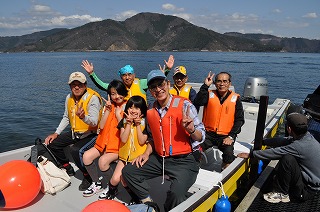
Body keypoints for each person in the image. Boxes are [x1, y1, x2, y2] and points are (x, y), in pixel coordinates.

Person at [122, 69, 205, 211]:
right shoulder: (150, 111)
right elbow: (153, 139)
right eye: (153, 87)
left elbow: (201, 136)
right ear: (150, 90)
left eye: (161, 84)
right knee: (129, 172)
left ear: (168, 84)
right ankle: (149, 202)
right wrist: (146, 154)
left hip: (184, 160)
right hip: (160, 159)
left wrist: (191, 129)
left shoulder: (185, 105)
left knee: (176, 194)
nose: (158, 89)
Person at [237, 113, 320, 203]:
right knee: (288, 157)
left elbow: (276, 152)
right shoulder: (307, 137)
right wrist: (264, 142)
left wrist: (252, 154)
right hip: (312, 182)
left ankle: (281, 193)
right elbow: (284, 140)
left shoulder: (298, 146)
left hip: (307, 190)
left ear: (289, 128)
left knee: (287, 159)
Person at [44, 72, 102, 191]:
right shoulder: (69, 97)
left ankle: (87, 176)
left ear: (85, 85)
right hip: (75, 132)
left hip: (92, 134)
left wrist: (83, 117)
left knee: (76, 150)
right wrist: (56, 133)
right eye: (73, 84)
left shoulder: (93, 98)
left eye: (79, 84)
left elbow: (95, 122)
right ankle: (67, 166)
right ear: (70, 86)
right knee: (52, 144)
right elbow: (66, 117)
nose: (76, 87)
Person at [82, 80, 128, 197]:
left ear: (124, 92)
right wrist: (107, 110)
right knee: (86, 157)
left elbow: (126, 129)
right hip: (103, 143)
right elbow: (101, 126)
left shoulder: (128, 107)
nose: (116, 96)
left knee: (103, 162)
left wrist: (118, 116)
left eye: (118, 93)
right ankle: (96, 183)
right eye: (113, 94)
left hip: (118, 146)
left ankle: (111, 187)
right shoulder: (109, 106)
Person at [99, 95, 148, 202]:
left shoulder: (146, 123)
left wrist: (138, 125)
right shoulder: (124, 122)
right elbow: (123, 139)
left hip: (137, 159)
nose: (133, 110)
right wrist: (129, 124)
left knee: (125, 180)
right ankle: (112, 192)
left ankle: (135, 198)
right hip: (124, 158)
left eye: (137, 108)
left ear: (142, 110)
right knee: (115, 179)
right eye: (131, 107)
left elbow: (141, 141)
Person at [194, 71, 244, 170]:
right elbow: (198, 102)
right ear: (215, 83)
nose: (222, 84)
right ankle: (193, 170)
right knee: (195, 149)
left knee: (228, 154)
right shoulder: (209, 94)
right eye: (219, 81)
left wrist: (231, 136)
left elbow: (240, 120)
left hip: (225, 135)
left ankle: (225, 172)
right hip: (207, 134)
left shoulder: (235, 99)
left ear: (229, 83)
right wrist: (205, 86)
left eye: (225, 81)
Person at [81, 60, 147, 101]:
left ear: (134, 75)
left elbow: (154, 80)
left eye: (129, 74)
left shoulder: (141, 83)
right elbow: (101, 85)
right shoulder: (118, 87)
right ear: (121, 77)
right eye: (124, 75)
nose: (127, 77)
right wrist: (91, 74)